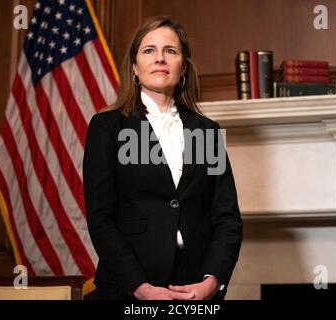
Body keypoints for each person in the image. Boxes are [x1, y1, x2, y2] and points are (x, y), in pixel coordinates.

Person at [83, 16, 242, 300]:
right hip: (128, 287)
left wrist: (212, 281)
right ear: (134, 67)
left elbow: (227, 218)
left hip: (196, 287)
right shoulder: (107, 127)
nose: (160, 58)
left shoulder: (207, 131)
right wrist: (139, 288)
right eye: (149, 50)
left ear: (182, 68)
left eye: (170, 51)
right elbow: (100, 218)